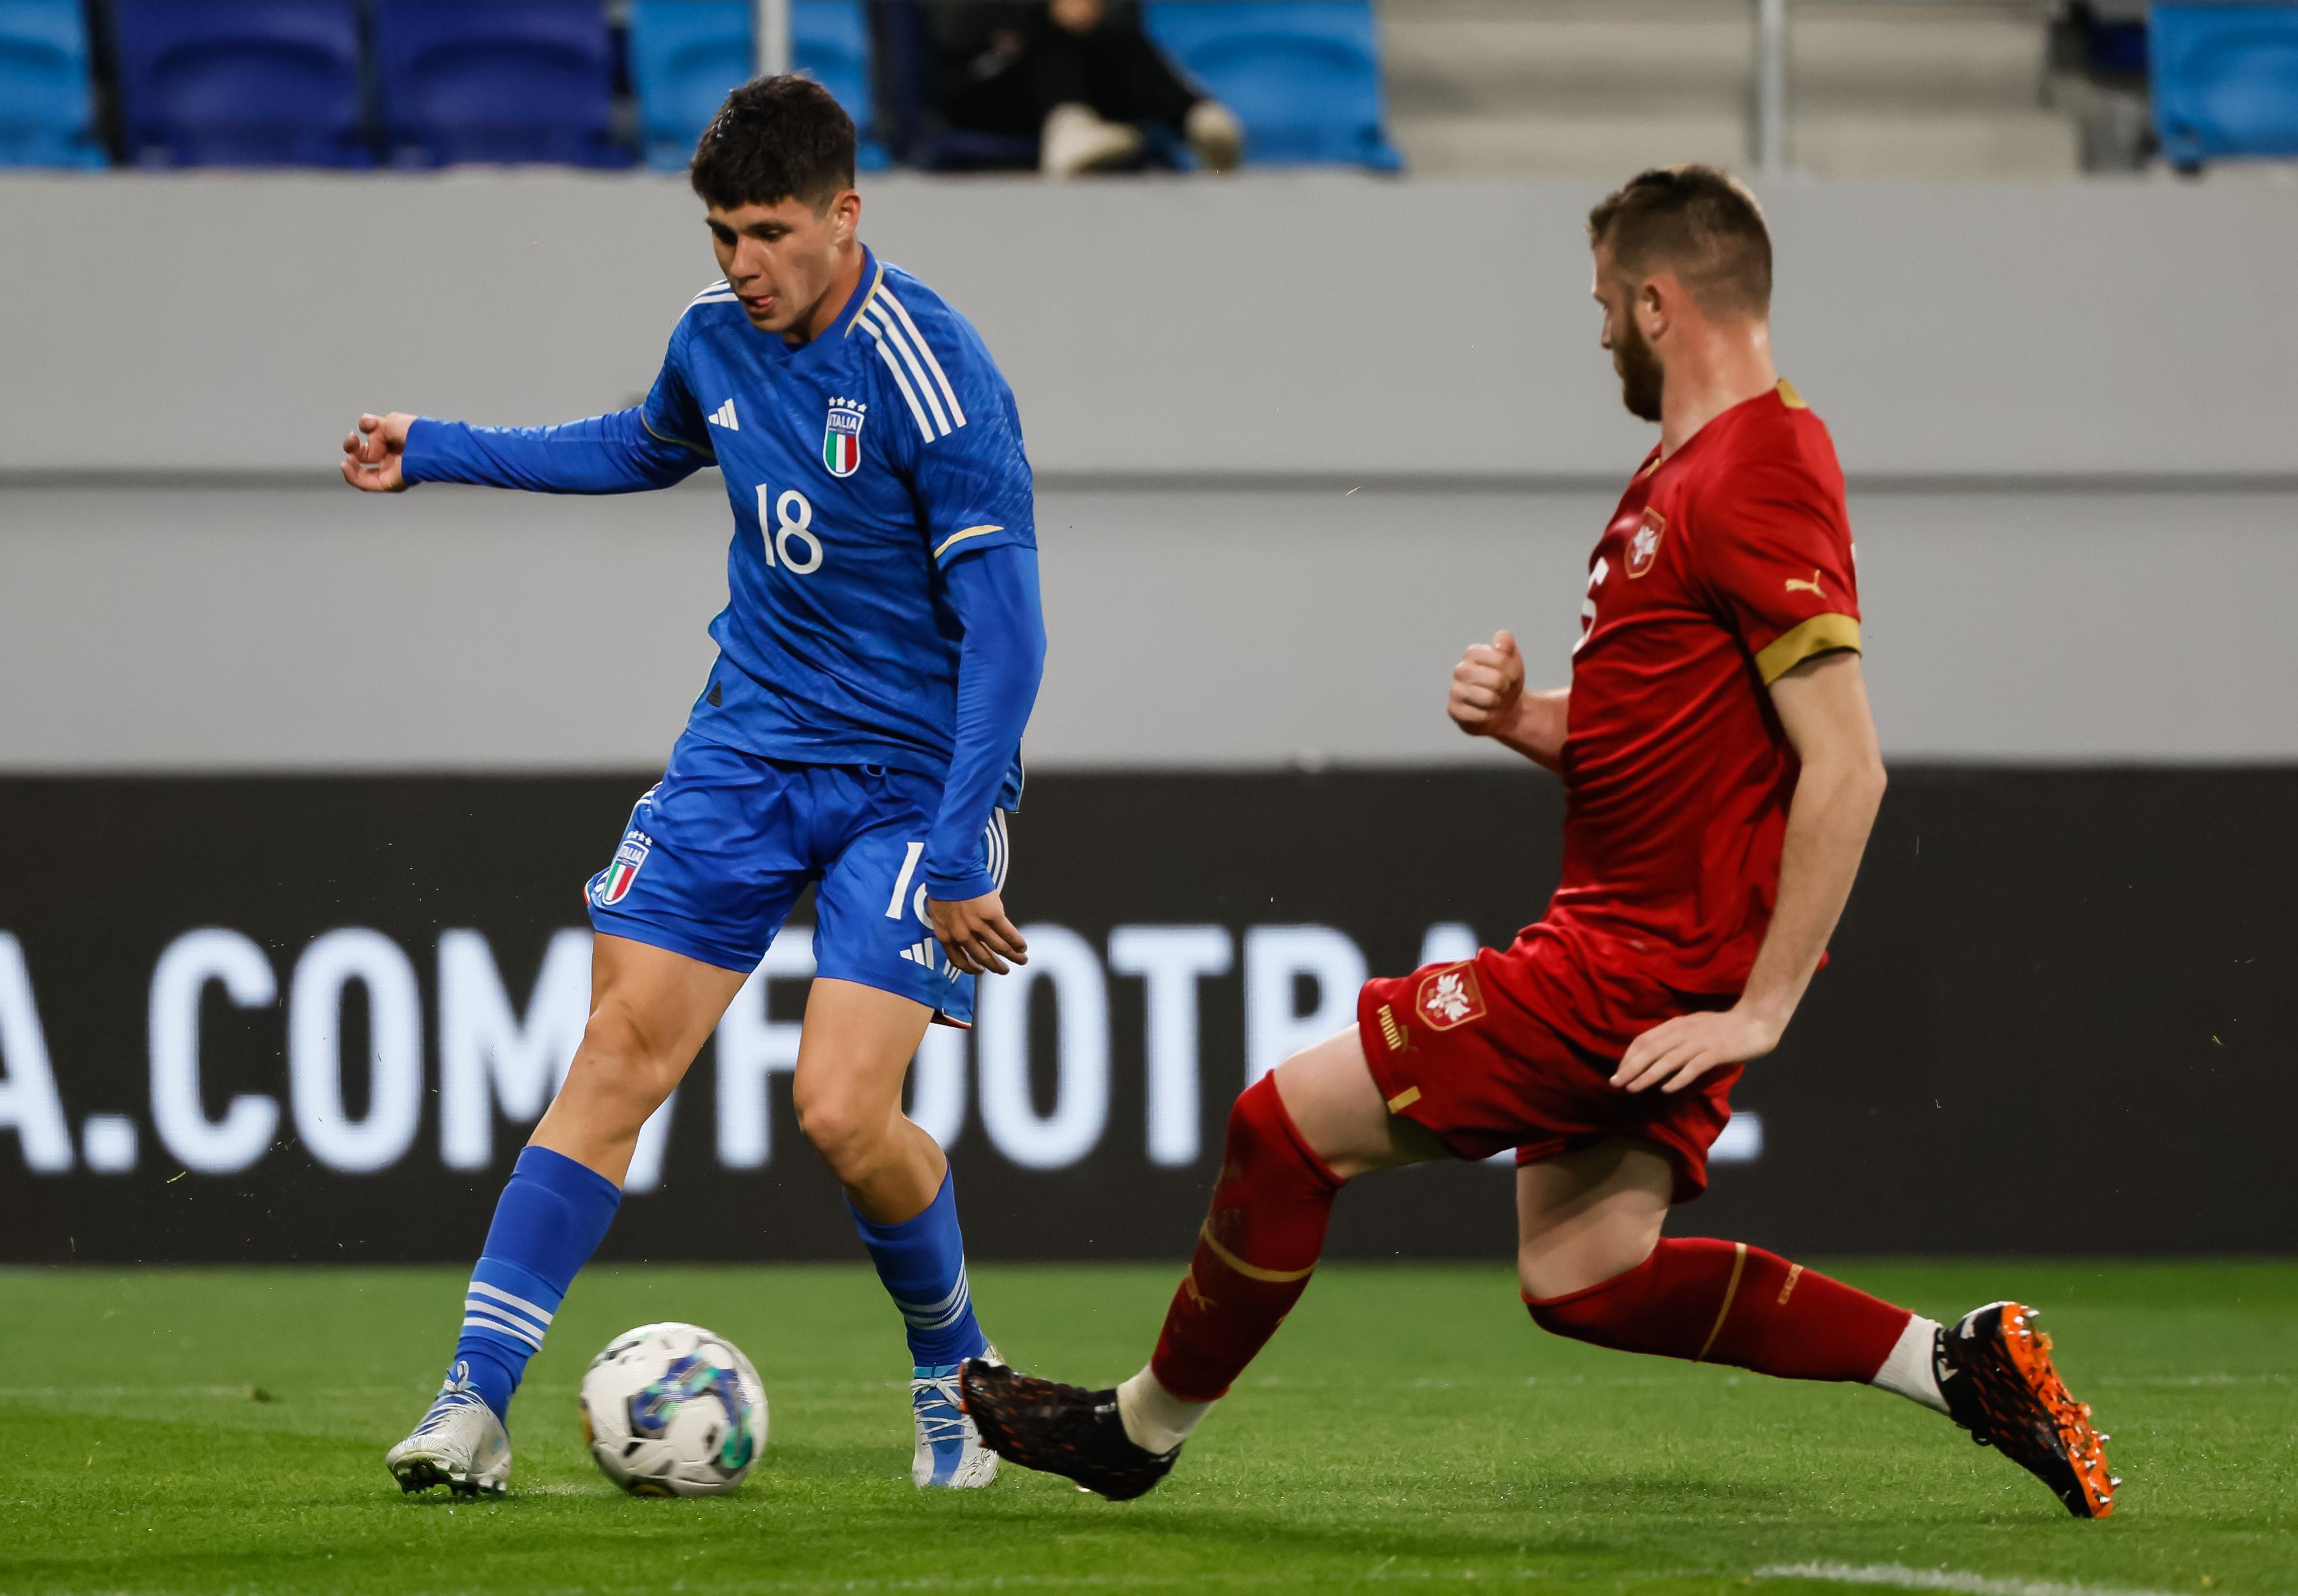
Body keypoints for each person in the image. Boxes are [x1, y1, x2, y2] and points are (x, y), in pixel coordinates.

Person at [957, 166, 2118, 1520]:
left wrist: (1760, 1008)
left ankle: (1136, 1434)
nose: (1598, 338)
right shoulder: (1681, 478)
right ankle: (1952, 1362)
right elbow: (1675, 738)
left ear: (1653, 300)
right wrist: (1525, 719)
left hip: (1635, 963)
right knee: (1588, 1278)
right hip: (1631, 940)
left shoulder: (1754, 468)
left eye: (1602, 310)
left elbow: (1845, 763)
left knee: (1281, 1131)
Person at [342, 75, 1045, 1495]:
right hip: (745, 750)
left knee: (845, 1113)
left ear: (846, 216)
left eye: (769, 232)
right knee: (614, 1056)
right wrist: (439, 449)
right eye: (721, 231)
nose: (739, 263)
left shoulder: (933, 371)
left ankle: (950, 1375)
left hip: (908, 787)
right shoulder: (714, 340)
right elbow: (636, 446)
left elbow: (1011, 636)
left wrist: (964, 842)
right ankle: (472, 1406)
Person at [931, 0, 1244, 177]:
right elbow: (951, 28)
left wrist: (1094, 10)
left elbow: (1128, 17)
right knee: (1050, 34)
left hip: (1086, 81)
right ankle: (1068, 127)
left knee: (1120, 43)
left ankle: (1195, 118)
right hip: (986, 84)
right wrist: (1043, 8)